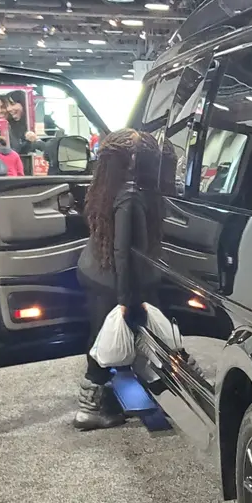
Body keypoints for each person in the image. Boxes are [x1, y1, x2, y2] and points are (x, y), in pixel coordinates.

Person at [74, 129, 163, 430]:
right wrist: (126, 300)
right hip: (110, 278)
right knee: (104, 338)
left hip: (94, 270)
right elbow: (123, 253)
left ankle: (102, 399)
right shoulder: (131, 196)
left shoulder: (106, 188)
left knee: (101, 335)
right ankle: (91, 406)